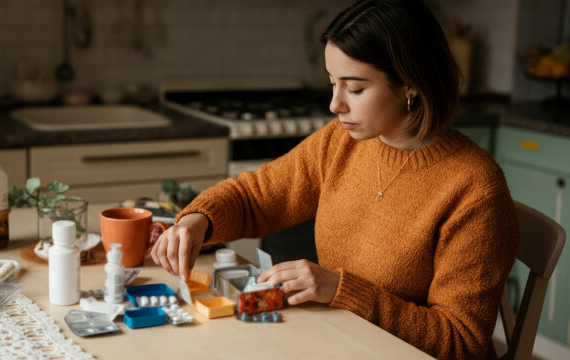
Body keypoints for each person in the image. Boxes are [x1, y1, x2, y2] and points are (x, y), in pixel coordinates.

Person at [150, 0, 518, 358]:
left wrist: (342, 289)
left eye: (355, 88)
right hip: (338, 342)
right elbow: (257, 196)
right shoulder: (339, 141)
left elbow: (461, 342)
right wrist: (200, 220)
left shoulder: (475, 189)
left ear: (411, 84)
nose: (335, 104)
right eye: (332, 83)